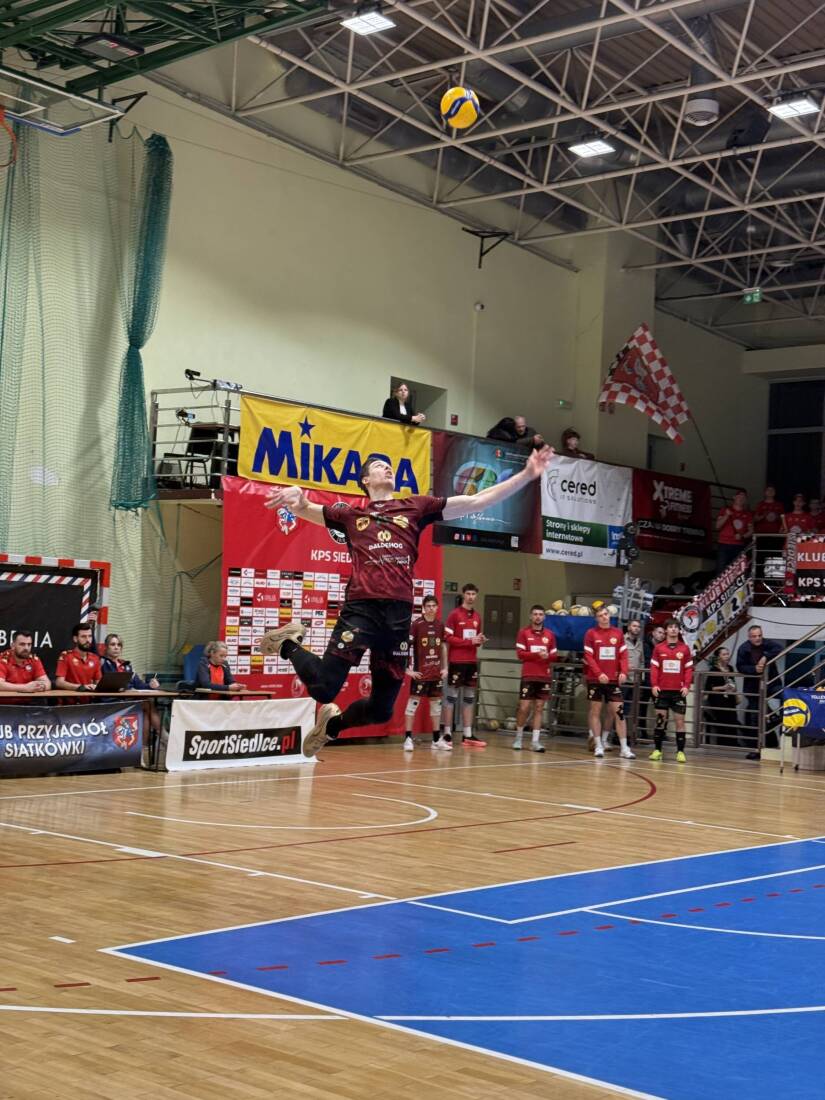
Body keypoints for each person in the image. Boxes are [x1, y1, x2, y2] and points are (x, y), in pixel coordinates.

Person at [260, 446, 554, 757]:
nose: (387, 468)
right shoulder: (351, 516)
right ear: (365, 480)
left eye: (389, 465)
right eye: (378, 464)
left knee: (381, 710)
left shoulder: (415, 507)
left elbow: (477, 501)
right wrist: (298, 497)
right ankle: (288, 643)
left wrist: (526, 475)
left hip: (397, 618)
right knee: (323, 688)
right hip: (362, 610)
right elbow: (306, 509)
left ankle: (332, 727)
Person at [583, 605, 634, 760]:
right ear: (596, 618)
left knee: (619, 712)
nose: (604, 617)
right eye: (600, 615)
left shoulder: (617, 633)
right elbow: (589, 657)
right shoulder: (591, 634)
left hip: (613, 680)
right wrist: (599, 674)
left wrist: (624, 671)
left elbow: (623, 655)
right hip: (595, 679)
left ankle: (624, 748)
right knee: (595, 711)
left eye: (606, 614)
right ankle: (598, 745)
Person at [441, 582, 487, 750]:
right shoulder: (454, 615)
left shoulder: (477, 617)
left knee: (469, 698)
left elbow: (476, 640)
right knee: (451, 697)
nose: (471, 597)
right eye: (468, 594)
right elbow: (448, 638)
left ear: (476, 596)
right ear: (463, 594)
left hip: (471, 662)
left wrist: (480, 640)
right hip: (456, 661)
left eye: (473, 594)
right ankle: (447, 733)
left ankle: (467, 734)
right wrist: (469, 641)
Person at [513, 604, 557, 752]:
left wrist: (547, 656)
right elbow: (520, 654)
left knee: (539, 708)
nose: (538, 617)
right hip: (528, 675)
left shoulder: (550, 635)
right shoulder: (523, 633)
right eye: (535, 614)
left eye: (540, 614)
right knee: (524, 707)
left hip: (544, 676)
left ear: (544, 617)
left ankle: (535, 741)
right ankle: (518, 738)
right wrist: (536, 654)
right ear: (531, 616)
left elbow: (554, 655)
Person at [649, 618, 694, 763]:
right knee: (660, 721)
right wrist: (654, 685)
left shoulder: (685, 649)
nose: (673, 629)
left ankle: (680, 752)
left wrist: (686, 685)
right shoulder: (659, 648)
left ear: (679, 630)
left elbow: (688, 669)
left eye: (676, 627)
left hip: (678, 692)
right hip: (662, 691)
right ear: (666, 630)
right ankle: (657, 750)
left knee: (680, 722)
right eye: (670, 627)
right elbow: (654, 668)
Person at [404, 594, 444, 752]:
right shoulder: (417, 625)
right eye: (428, 606)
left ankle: (436, 740)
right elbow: (405, 647)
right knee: (412, 705)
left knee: (436, 706)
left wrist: (445, 667)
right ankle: (408, 739)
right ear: (424, 608)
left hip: (436, 674)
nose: (431, 608)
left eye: (433, 606)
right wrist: (408, 670)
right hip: (420, 673)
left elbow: (443, 647)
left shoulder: (440, 625)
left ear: (437, 607)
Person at [735, 624, 782, 759]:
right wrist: (754, 669)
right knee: (755, 720)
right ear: (749, 637)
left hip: (771, 683)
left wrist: (765, 656)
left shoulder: (767, 644)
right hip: (753, 688)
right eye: (754, 636)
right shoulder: (743, 648)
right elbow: (740, 667)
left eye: (760, 635)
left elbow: (779, 648)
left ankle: (777, 718)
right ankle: (755, 750)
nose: (758, 638)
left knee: (786, 695)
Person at [703, 647, 740, 745]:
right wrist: (722, 687)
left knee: (733, 720)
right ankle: (723, 744)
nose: (727, 656)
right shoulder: (713, 670)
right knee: (723, 721)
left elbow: (733, 682)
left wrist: (735, 691)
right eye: (724, 654)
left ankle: (733, 744)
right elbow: (708, 688)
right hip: (718, 700)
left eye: (727, 654)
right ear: (718, 657)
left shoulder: (730, 668)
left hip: (730, 698)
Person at [55, 622, 102, 691]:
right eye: (83, 636)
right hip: (71, 697)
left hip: (90, 697)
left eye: (90, 636)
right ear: (75, 639)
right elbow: (59, 682)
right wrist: (81, 687)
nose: (88, 640)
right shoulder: (66, 656)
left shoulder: (95, 658)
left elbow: (99, 683)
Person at [715, 489, 753, 572]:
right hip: (724, 544)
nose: (741, 498)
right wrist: (726, 515)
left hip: (738, 546)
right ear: (734, 497)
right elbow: (717, 526)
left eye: (743, 497)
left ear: (746, 500)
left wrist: (742, 536)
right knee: (721, 571)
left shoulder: (748, 514)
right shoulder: (725, 510)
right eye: (739, 496)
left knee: (737, 571)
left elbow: (751, 531)